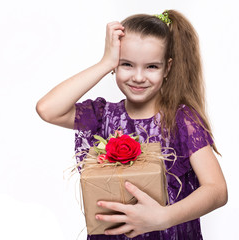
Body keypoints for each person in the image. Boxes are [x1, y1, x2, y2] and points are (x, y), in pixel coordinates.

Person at [36, 9, 227, 240]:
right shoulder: (103, 116)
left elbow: (217, 190)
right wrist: (106, 62)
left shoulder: (181, 120)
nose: (138, 77)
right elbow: (47, 109)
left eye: (151, 67)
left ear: (167, 68)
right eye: (127, 64)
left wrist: (163, 217)